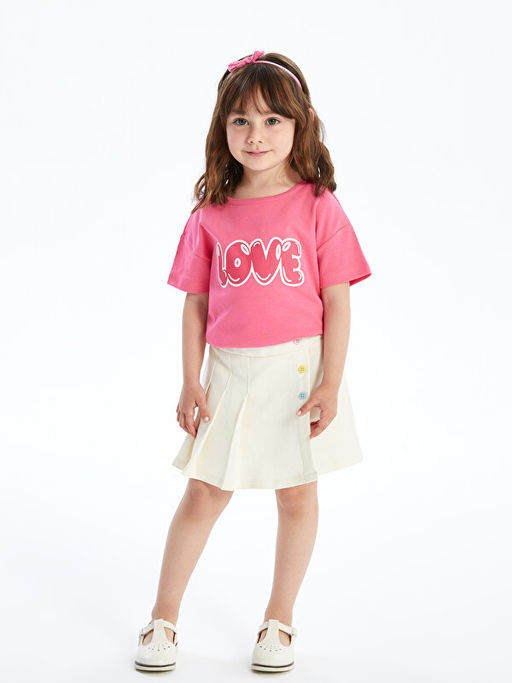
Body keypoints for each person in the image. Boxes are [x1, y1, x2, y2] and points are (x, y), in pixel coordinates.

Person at [134, 49, 372, 674]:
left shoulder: (319, 204)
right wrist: (190, 381)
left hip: (299, 373)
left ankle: (279, 620)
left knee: (296, 494)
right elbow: (195, 305)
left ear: (299, 125)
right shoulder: (210, 214)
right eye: (241, 120)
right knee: (204, 493)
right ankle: (162, 618)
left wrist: (331, 382)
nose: (256, 135)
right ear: (223, 127)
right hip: (229, 372)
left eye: (272, 121)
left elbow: (337, 300)